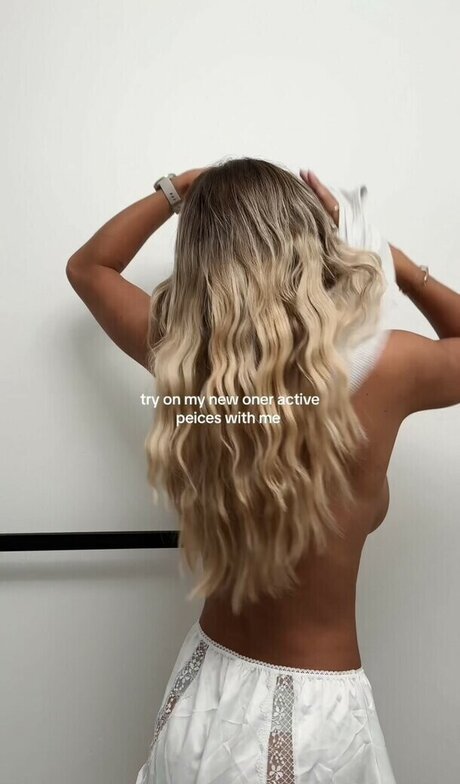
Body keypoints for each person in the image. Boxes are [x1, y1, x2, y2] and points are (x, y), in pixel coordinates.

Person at [66, 158, 460, 783]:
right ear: (310, 240)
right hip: (313, 728)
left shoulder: (186, 359)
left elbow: (88, 268)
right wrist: (397, 262)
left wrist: (179, 190)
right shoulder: (392, 367)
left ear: (202, 259)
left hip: (205, 690)